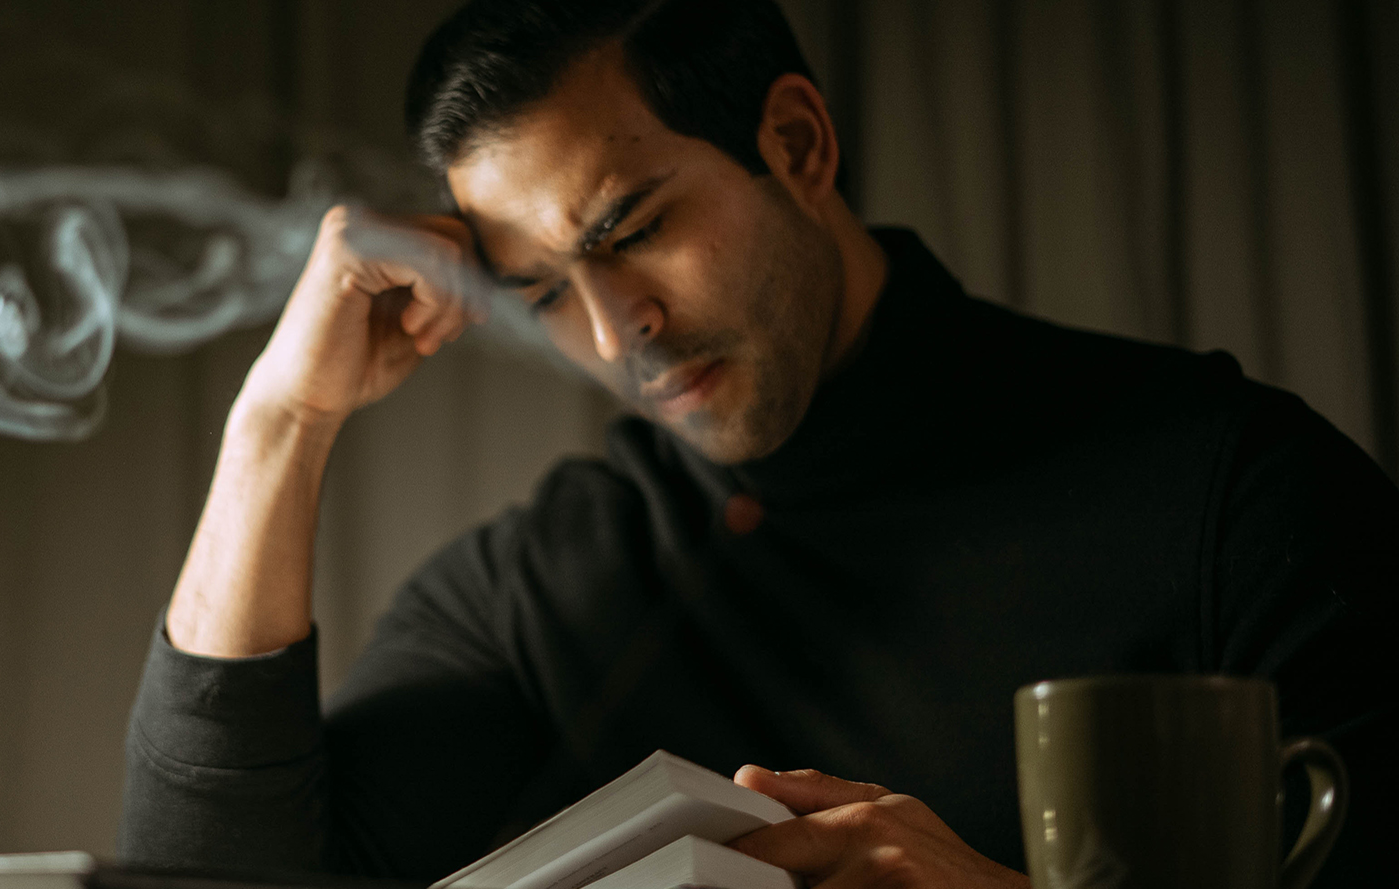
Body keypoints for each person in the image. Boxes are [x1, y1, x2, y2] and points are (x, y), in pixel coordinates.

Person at [119, 1, 1396, 886]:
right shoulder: (541, 586)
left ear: (796, 142)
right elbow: (208, 884)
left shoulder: (1235, 489)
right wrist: (278, 427)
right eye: (548, 290)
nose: (619, 334)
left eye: (630, 229)